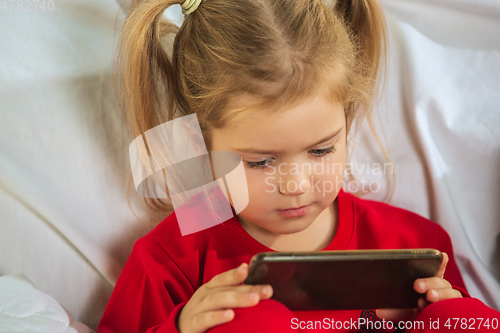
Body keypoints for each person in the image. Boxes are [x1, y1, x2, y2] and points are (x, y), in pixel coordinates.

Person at [98, 0, 500, 332]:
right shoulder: (170, 257)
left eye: (321, 151)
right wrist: (182, 326)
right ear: (200, 143)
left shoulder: (412, 243)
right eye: (262, 161)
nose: (296, 184)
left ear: (347, 124)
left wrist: (438, 316)